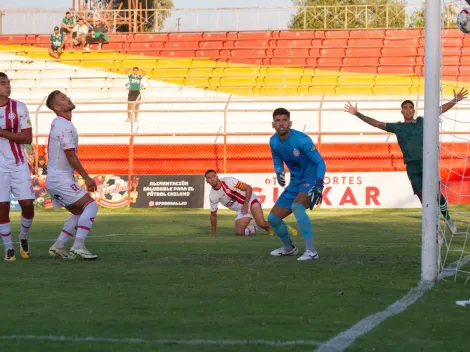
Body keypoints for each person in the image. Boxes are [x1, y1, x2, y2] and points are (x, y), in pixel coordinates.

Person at [343, 88, 468, 235]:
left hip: (427, 162)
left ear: (413, 111)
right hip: (412, 166)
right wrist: (357, 113)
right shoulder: (398, 127)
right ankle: (435, 229)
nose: (408, 110)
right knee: (423, 199)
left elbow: (438, 111)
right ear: (401, 112)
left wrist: (455, 100)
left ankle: (447, 218)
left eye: (410, 107)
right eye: (405, 108)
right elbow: (376, 123)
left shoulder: (422, 122)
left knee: (436, 193)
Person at [45, 90, 98, 260]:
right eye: (63, 98)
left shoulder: (59, 123)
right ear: (56, 106)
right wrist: (86, 177)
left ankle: (59, 246)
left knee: (78, 213)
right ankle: (78, 246)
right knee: (91, 206)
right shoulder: (63, 125)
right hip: (60, 179)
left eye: (66, 96)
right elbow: (70, 154)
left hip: (56, 179)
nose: (67, 99)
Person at [268, 108, 326, 261]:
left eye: (284, 120)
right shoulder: (273, 141)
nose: (281, 124)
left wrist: (319, 184)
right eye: (278, 120)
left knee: (297, 207)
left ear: (290, 123)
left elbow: (320, 162)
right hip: (295, 182)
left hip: (311, 180)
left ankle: (311, 252)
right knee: (273, 219)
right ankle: (288, 248)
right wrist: (279, 171)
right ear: (273, 124)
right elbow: (276, 160)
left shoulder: (302, 140)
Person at [0, 72, 35, 261]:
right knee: (2, 207)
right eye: (3, 83)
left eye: (8, 83)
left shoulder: (19, 107)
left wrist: (2, 133)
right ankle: (8, 249)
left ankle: (23, 237)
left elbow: (27, 138)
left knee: (28, 204)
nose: (7, 86)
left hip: (18, 162)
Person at [205, 170, 297, 237]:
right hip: (241, 209)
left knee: (262, 223)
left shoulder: (229, 181)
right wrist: (213, 234)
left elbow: (248, 188)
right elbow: (213, 215)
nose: (212, 179)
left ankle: (286, 228)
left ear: (217, 176)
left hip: (250, 200)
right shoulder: (213, 196)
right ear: (207, 181)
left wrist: (245, 204)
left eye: (213, 176)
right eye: (209, 178)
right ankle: (260, 226)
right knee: (239, 233)